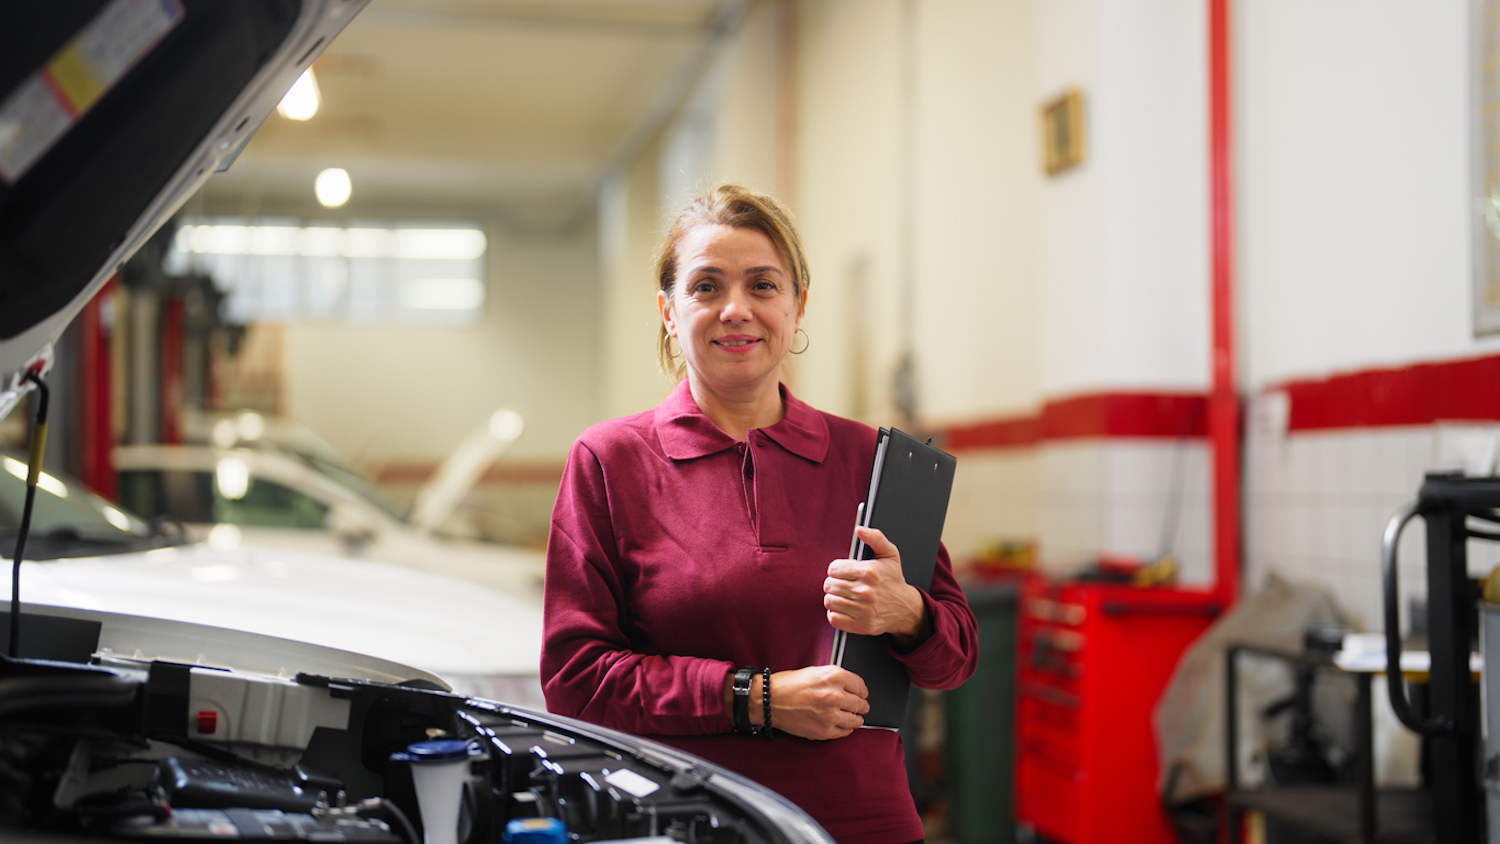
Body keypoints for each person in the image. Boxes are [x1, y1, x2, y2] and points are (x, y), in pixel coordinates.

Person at [541, 183, 977, 844]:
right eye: (707, 287)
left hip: (861, 823)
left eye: (763, 286)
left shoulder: (871, 459)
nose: (736, 310)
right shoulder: (610, 461)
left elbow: (955, 660)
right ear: (668, 310)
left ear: (798, 305)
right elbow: (575, 681)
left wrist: (908, 615)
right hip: (687, 819)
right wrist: (756, 698)